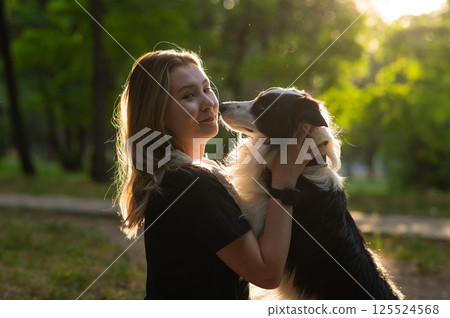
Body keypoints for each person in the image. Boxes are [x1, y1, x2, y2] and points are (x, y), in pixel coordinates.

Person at [114, 49, 312, 299]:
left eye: (207, 89)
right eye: (188, 95)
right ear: (159, 116)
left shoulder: (184, 175)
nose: (208, 102)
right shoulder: (190, 183)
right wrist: (284, 182)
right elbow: (267, 273)